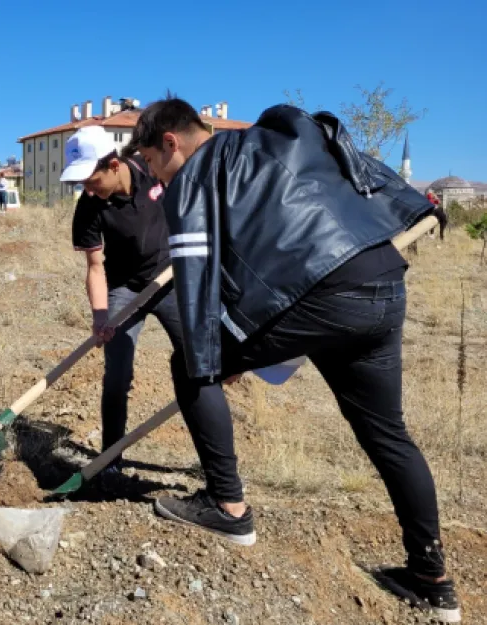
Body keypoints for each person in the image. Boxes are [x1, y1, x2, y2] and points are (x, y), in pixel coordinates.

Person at [128, 96, 460, 622]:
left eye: (148, 160)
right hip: (380, 280)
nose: (151, 173)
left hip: (318, 295)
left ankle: (228, 508)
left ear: (171, 141)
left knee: (187, 361)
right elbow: (357, 166)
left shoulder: (191, 179)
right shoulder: (281, 137)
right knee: (387, 433)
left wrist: (209, 358)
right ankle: (432, 581)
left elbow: (194, 285)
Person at [58, 126, 198, 486]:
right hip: (123, 288)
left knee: (199, 365)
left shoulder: (152, 169)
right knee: (117, 375)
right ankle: (110, 460)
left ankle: (213, 465)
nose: (87, 189)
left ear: (114, 164)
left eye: (92, 180)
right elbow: (95, 267)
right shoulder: (89, 208)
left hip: (170, 281)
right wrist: (101, 315)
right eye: (81, 184)